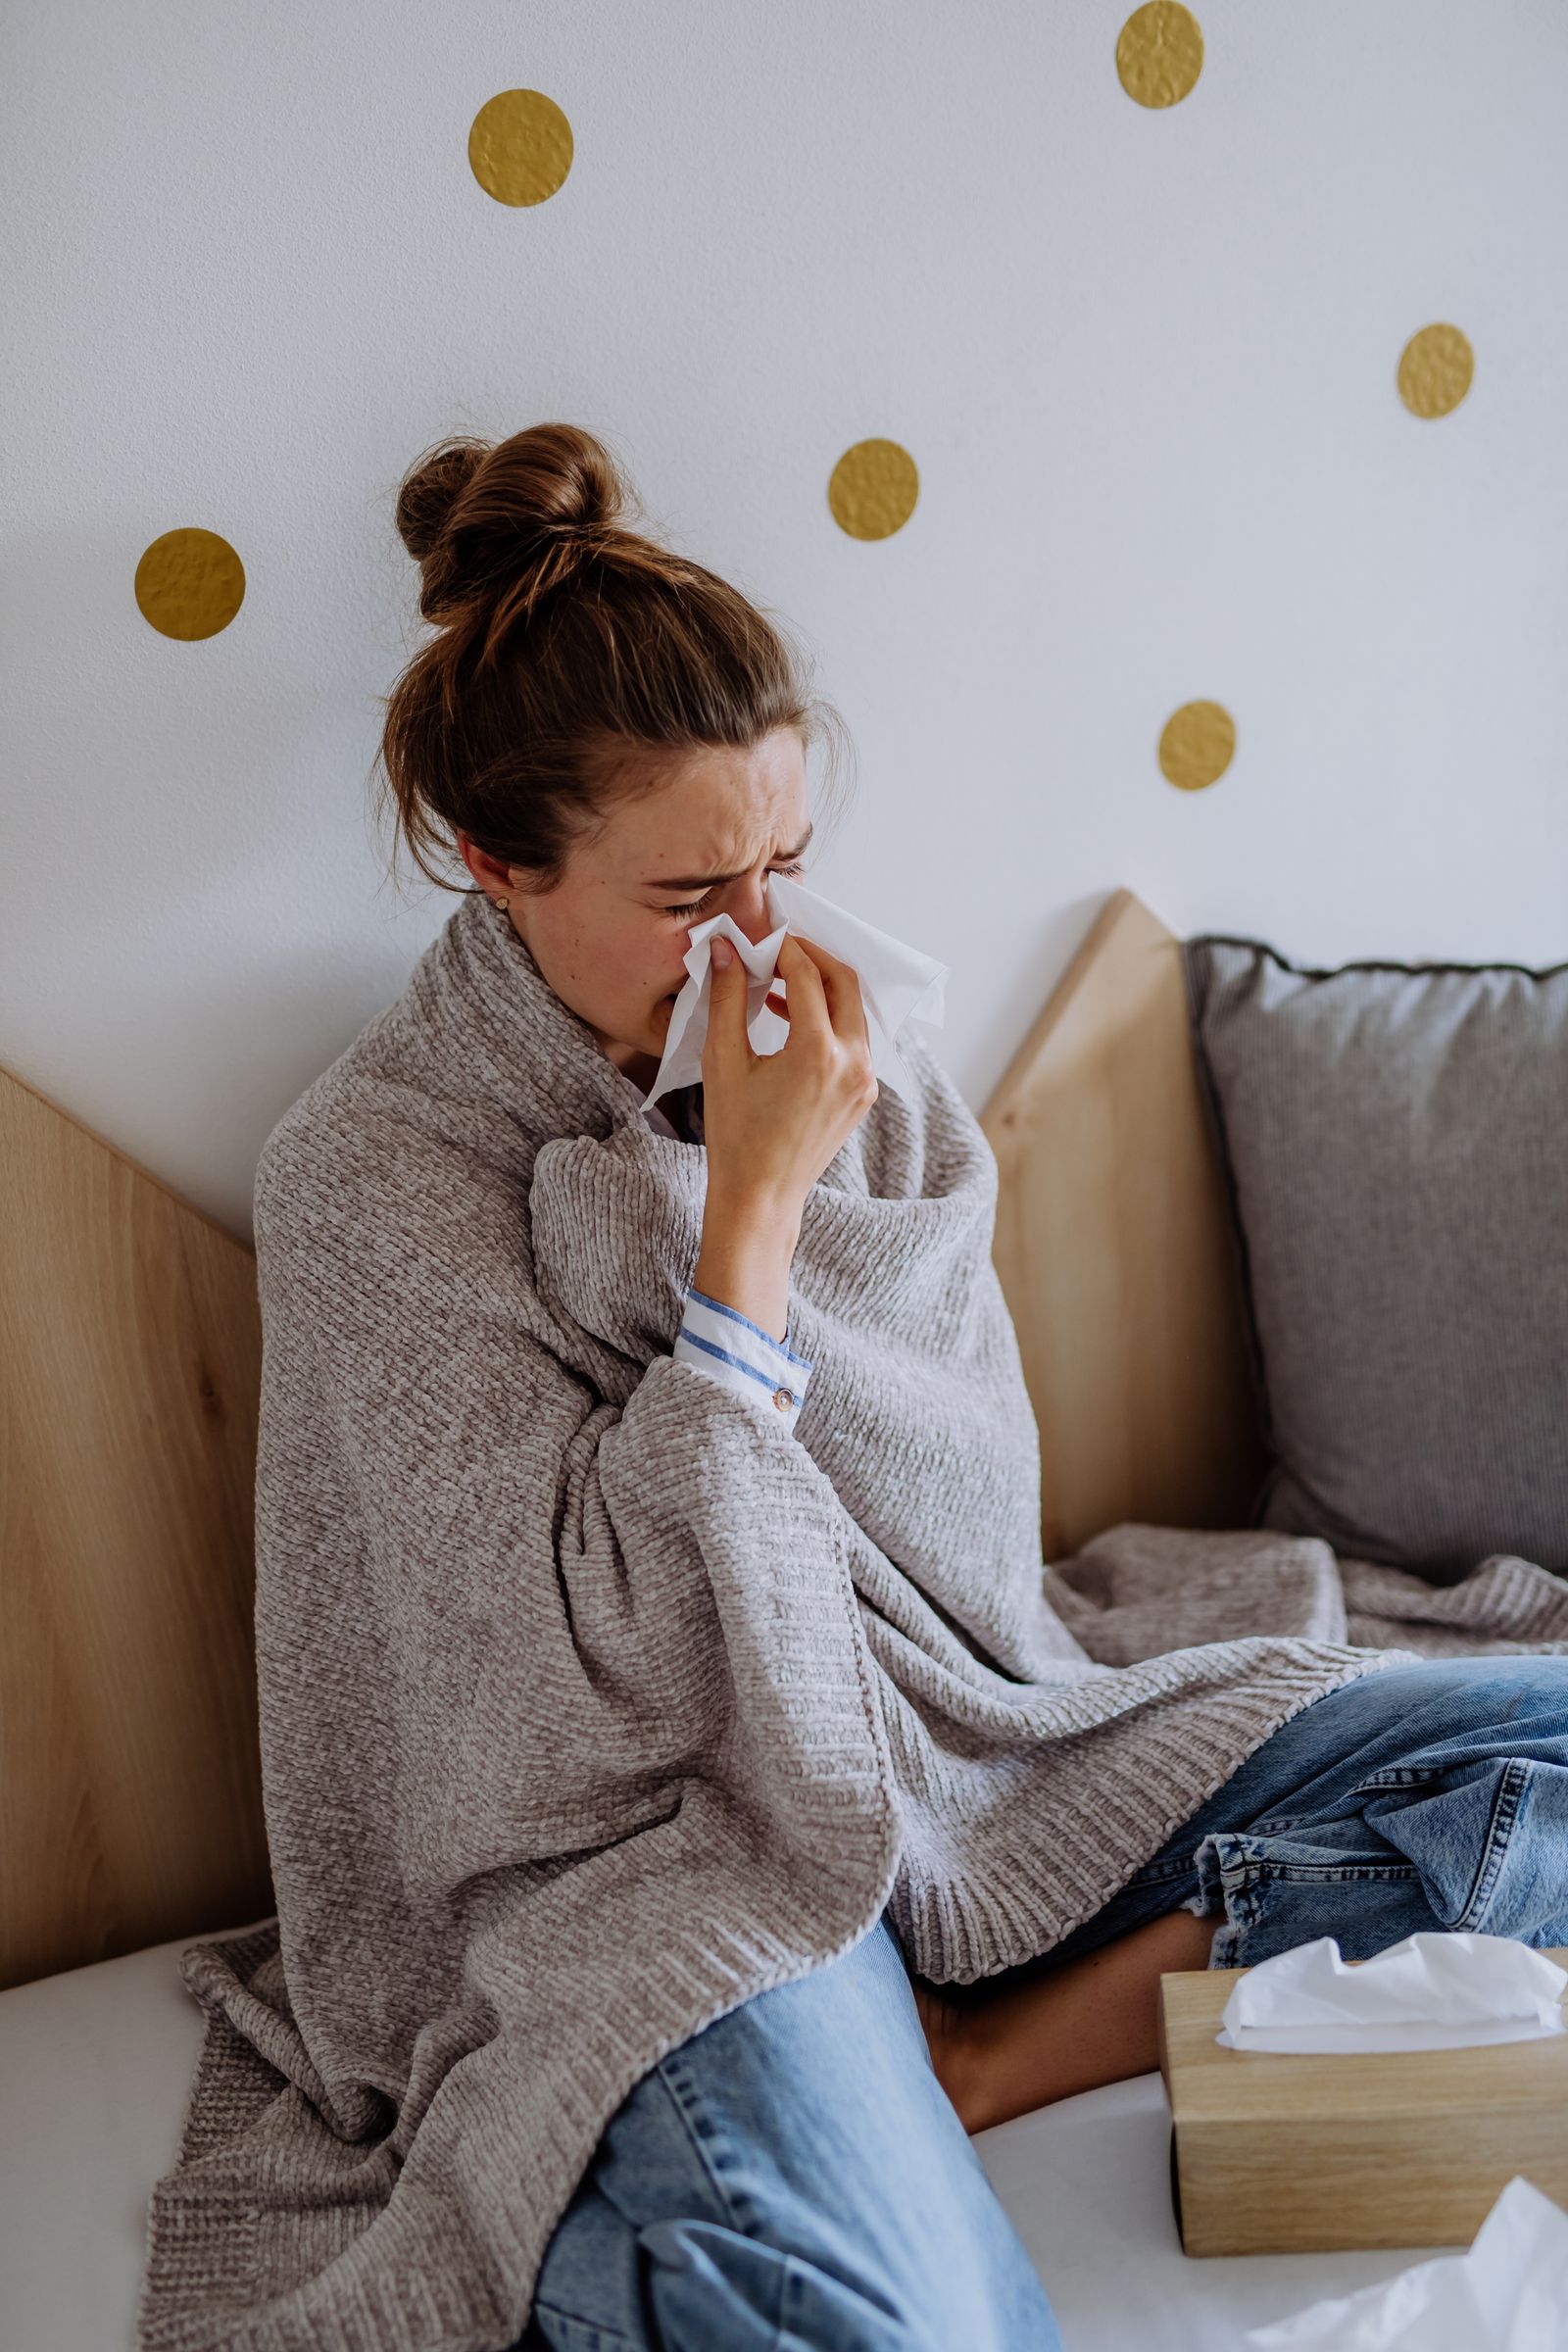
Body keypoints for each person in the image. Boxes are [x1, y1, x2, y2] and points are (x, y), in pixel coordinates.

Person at [368, 420, 1568, 2352]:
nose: (761, 938)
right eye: (690, 896)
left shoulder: (859, 1069)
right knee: (866, 2311)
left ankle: (1001, 2049)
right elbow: (570, 1698)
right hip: (680, 1856)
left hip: (978, 1746)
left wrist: (800, 1167)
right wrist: (744, 1218)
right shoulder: (377, 1179)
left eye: (785, 864)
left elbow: (962, 1528)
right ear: (498, 866)